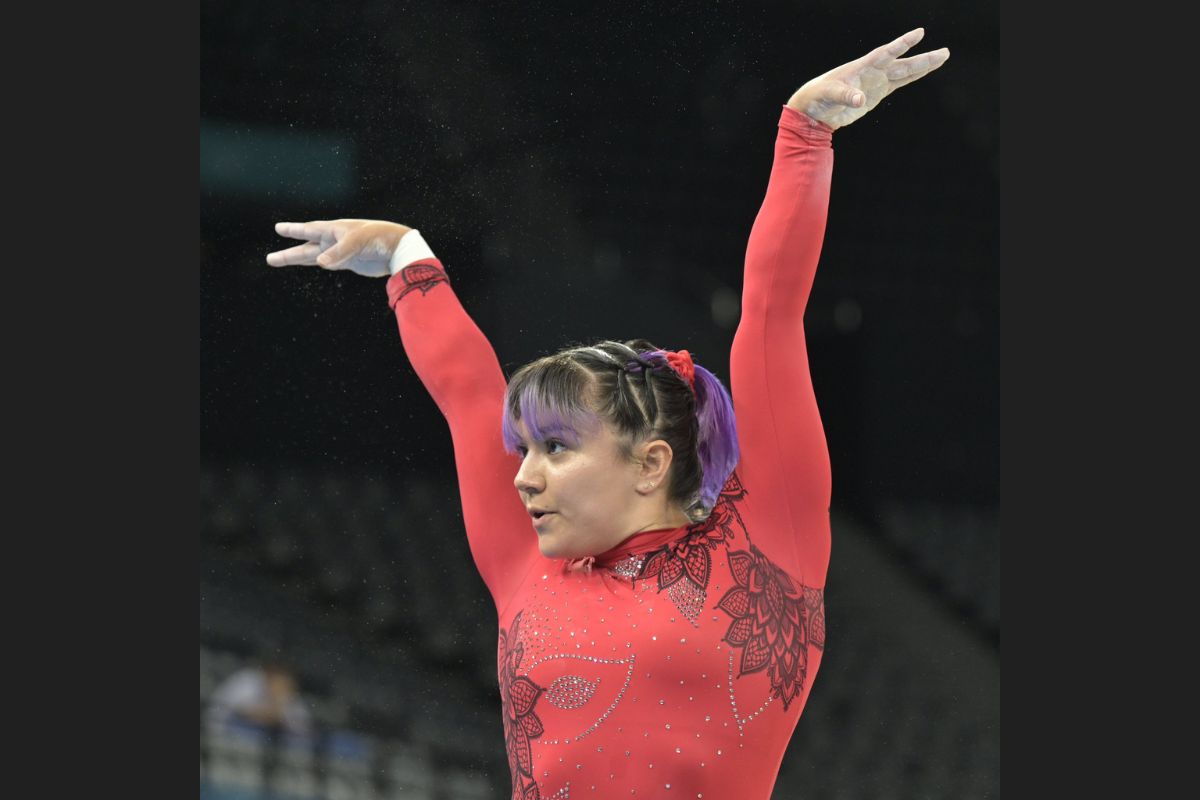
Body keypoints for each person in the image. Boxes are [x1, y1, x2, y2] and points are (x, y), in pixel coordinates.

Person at [266, 28, 948, 800]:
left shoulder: (768, 552)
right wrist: (404, 257)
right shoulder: (527, 564)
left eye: (556, 447)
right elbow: (465, 394)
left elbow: (771, 314)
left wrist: (804, 136)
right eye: (524, 448)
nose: (521, 476)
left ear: (651, 460)